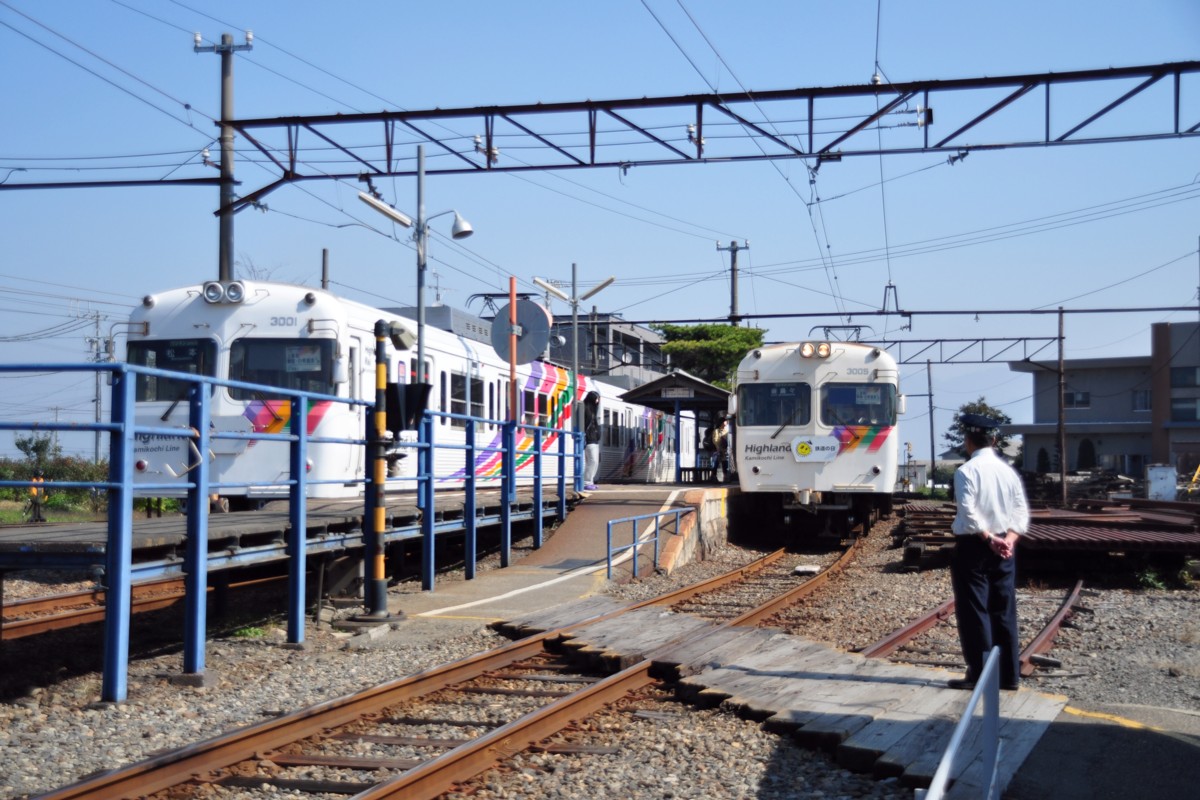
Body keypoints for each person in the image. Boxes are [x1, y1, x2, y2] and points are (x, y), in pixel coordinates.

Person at [947, 413, 1030, 691]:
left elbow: (968, 512)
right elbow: (1020, 511)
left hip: (975, 546)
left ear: (968, 441)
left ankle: (981, 675)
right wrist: (1009, 539)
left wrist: (988, 538)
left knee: (975, 611)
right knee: (1003, 609)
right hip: (1006, 550)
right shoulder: (1009, 471)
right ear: (994, 440)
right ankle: (1009, 676)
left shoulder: (966, 471)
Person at [582, 390, 601, 490]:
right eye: (596, 399)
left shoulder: (592, 409)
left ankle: (590, 481)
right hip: (589, 439)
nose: (597, 401)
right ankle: (586, 482)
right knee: (592, 460)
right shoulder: (585, 408)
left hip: (594, 439)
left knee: (595, 461)